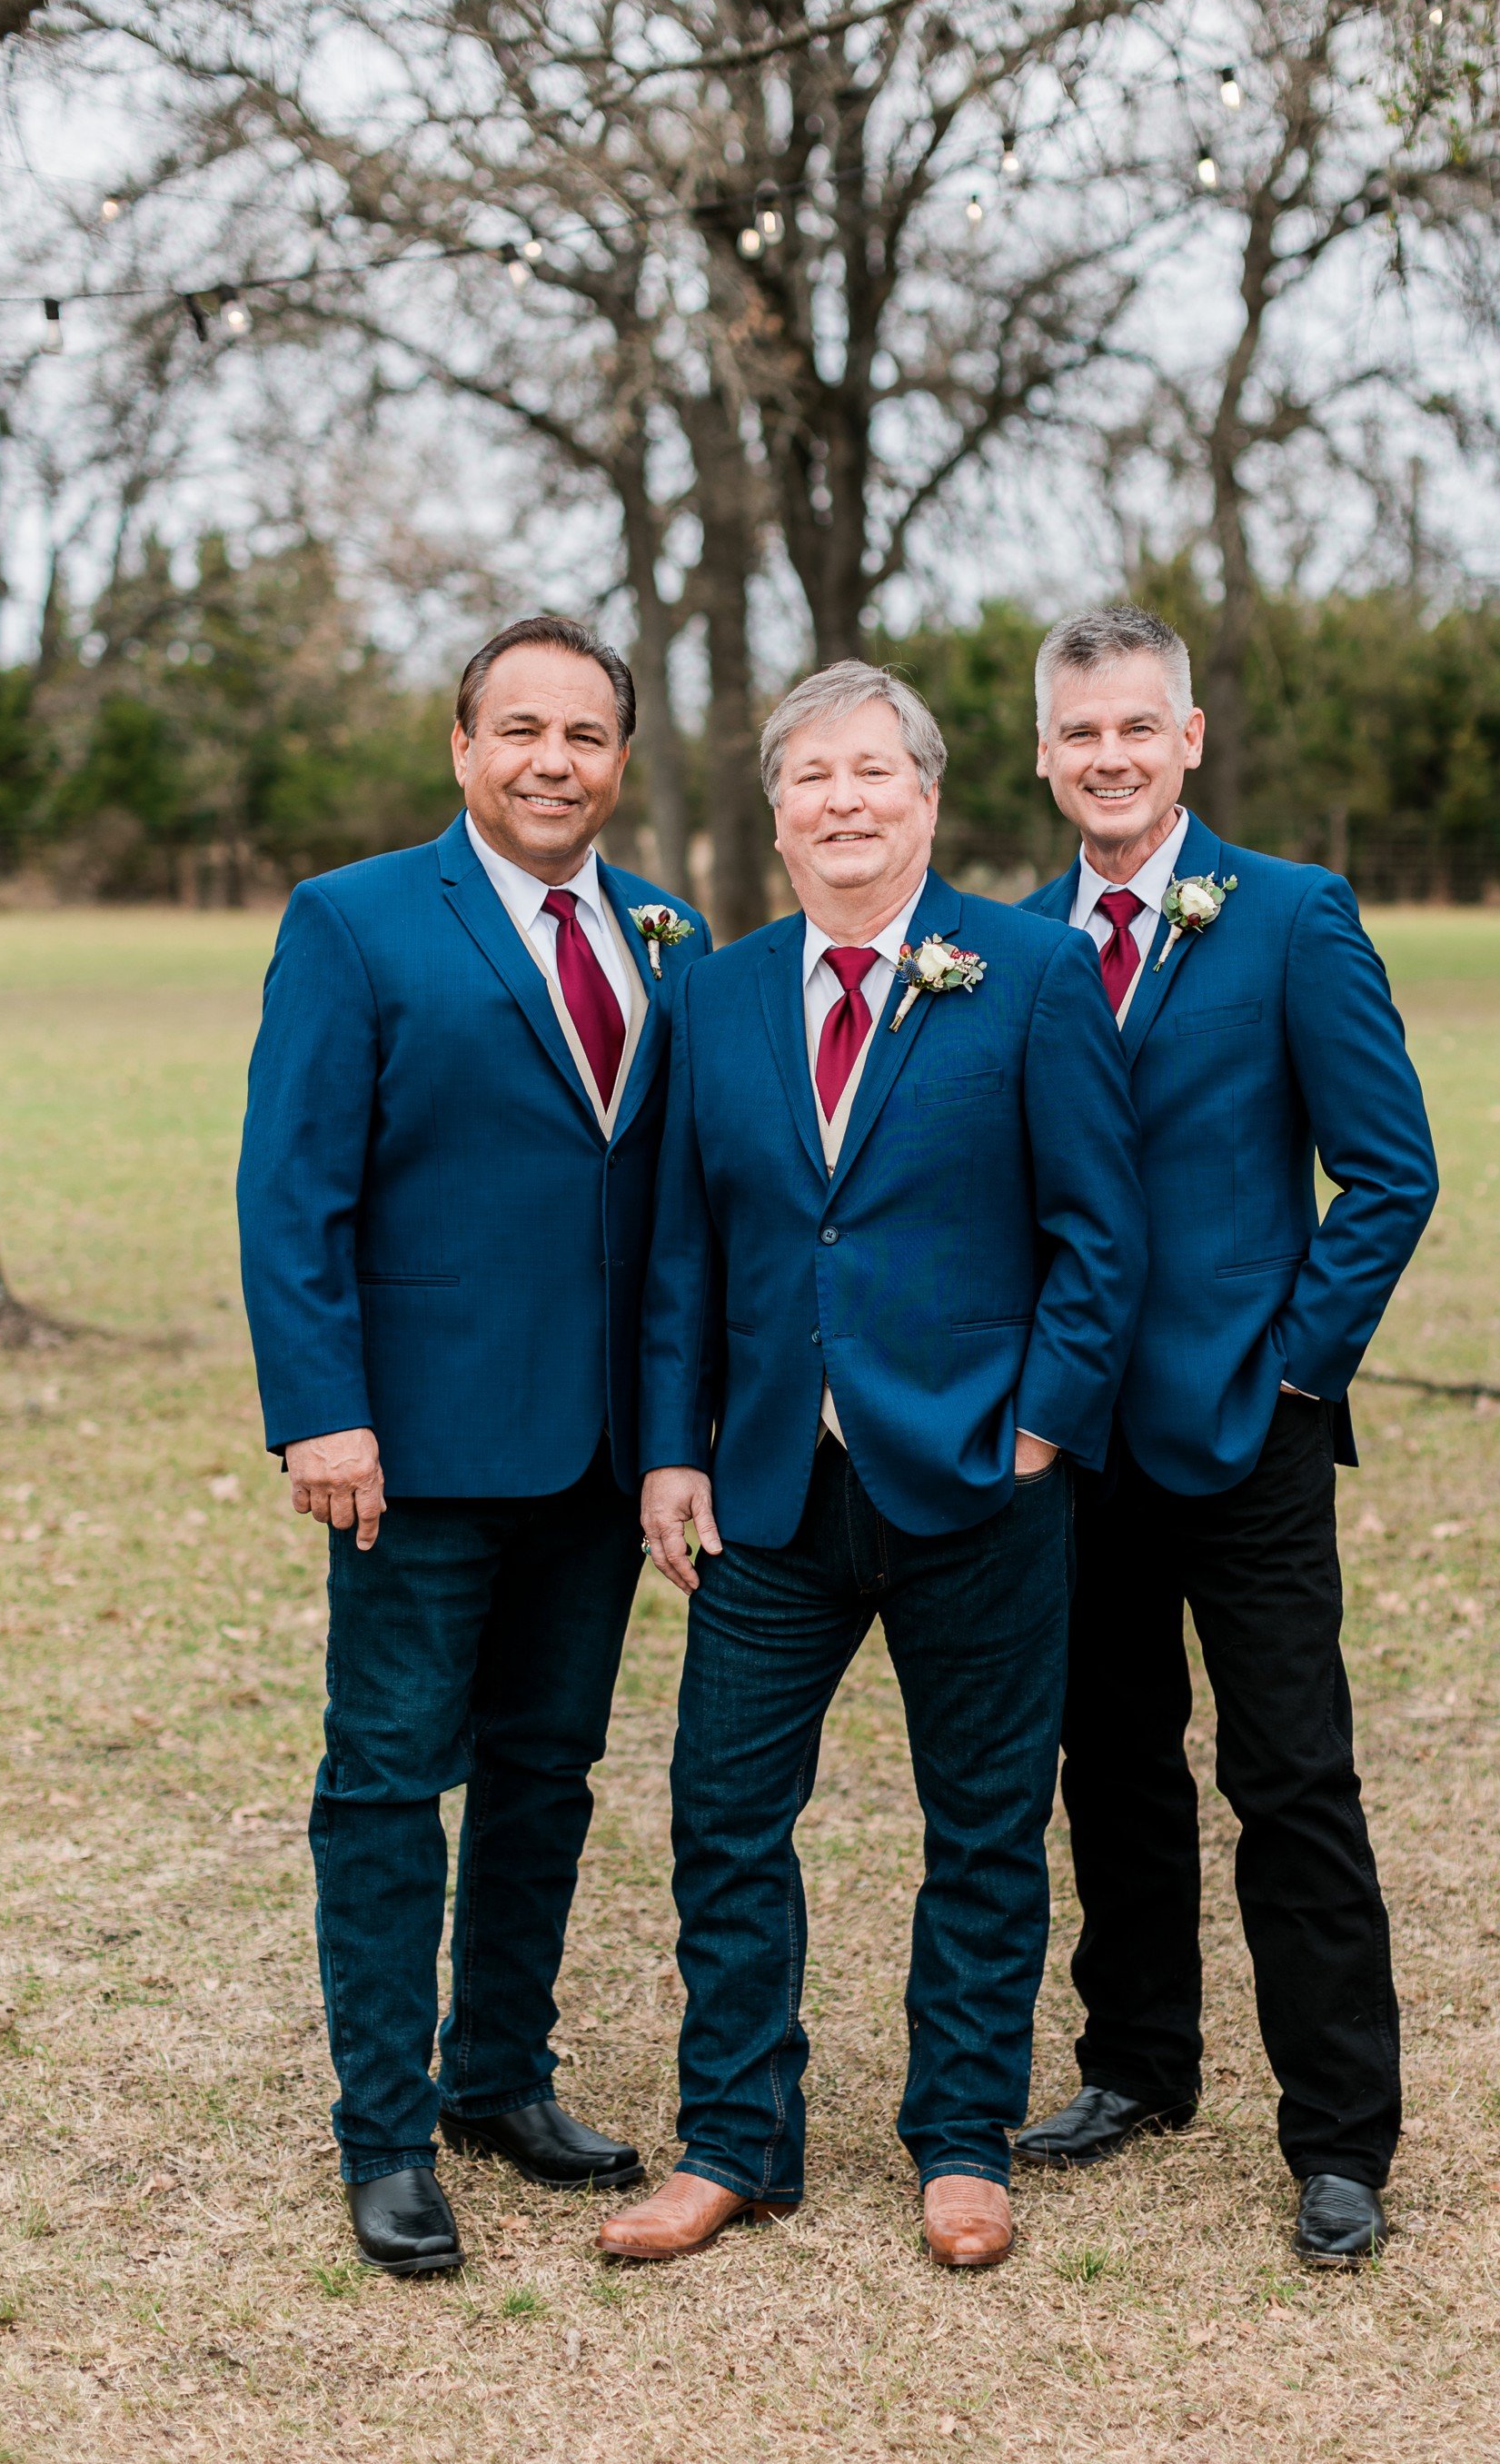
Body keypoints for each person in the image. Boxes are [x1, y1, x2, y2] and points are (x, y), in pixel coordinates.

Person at [595, 661, 1147, 2272]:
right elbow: (685, 1248)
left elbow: (1099, 1235)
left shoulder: (1036, 977)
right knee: (722, 1810)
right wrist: (670, 1456)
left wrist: (1039, 1425)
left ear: (925, 796)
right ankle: (734, 2141)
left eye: (873, 773)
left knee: (982, 1819)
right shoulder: (717, 993)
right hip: (767, 1484)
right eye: (811, 776)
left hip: (981, 1477)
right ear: (777, 810)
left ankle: (962, 2137)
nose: (843, 801)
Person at [235, 613, 710, 2276]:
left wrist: (674, 1432)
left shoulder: (670, 929)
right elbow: (291, 1187)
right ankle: (383, 2134)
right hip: (413, 1450)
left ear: (621, 764)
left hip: (596, 1458)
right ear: (462, 747)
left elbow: (671, 1211)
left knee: (545, 1774)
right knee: (383, 1784)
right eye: (520, 730)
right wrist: (322, 1408)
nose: (551, 762)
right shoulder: (355, 921)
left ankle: (497, 2076)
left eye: (584, 736)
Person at [1015, 604, 1437, 2263]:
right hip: (1074, 1442)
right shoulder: (1015, 944)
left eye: (1138, 728)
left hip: (1246, 1431)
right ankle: (1136, 2061)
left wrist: (1297, 1374)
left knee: (1291, 1781)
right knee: (1107, 1766)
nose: (1109, 757)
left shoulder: (1290, 918)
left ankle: (1339, 2136)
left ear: (1188, 740)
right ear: (1045, 755)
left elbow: (1388, 1174)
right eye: (1079, 733)